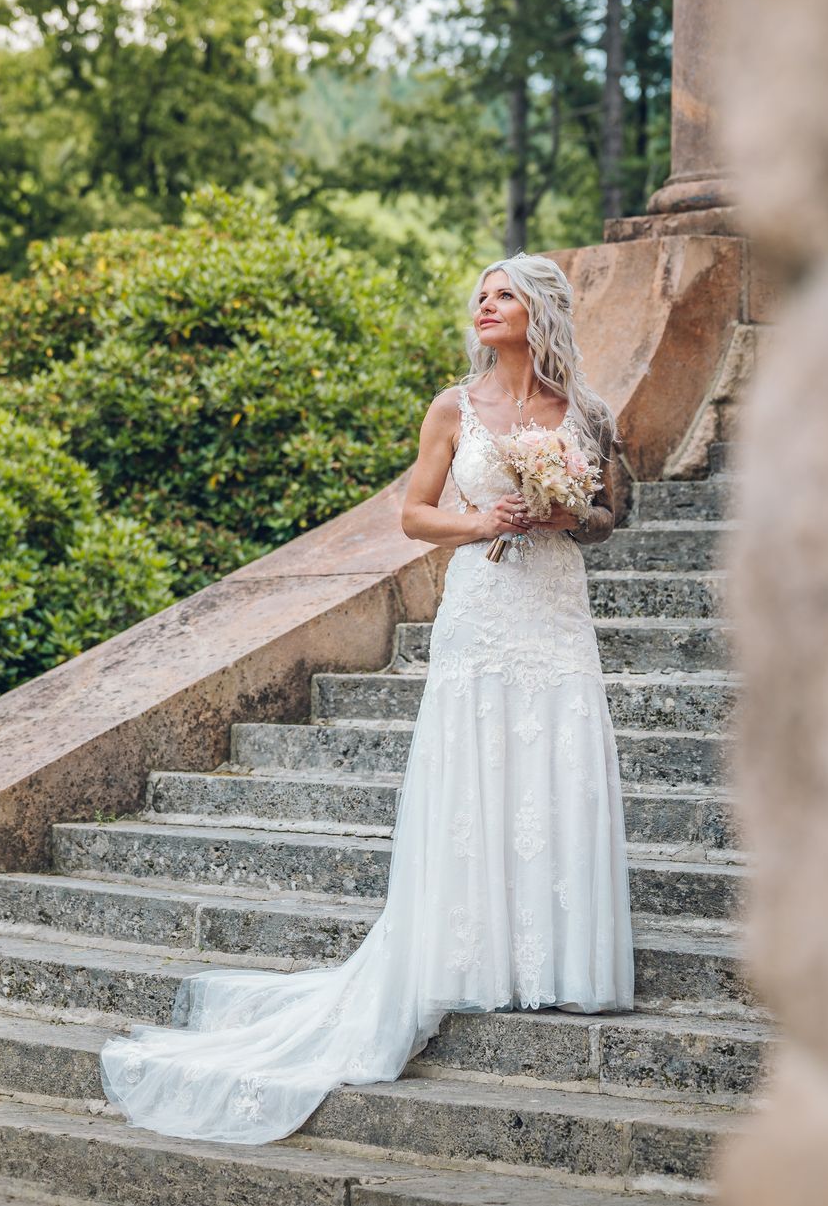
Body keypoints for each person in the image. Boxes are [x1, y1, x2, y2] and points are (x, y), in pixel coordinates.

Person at [96, 253, 635, 1144]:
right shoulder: (452, 408)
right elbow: (415, 514)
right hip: (483, 604)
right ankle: (469, 954)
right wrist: (484, 521)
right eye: (480, 295)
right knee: (478, 769)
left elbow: (615, 514)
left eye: (502, 295)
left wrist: (567, 513)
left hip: (555, 607)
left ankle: (561, 960)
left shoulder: (590, 412)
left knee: (559, 762)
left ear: (541, 311)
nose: (484, 305)